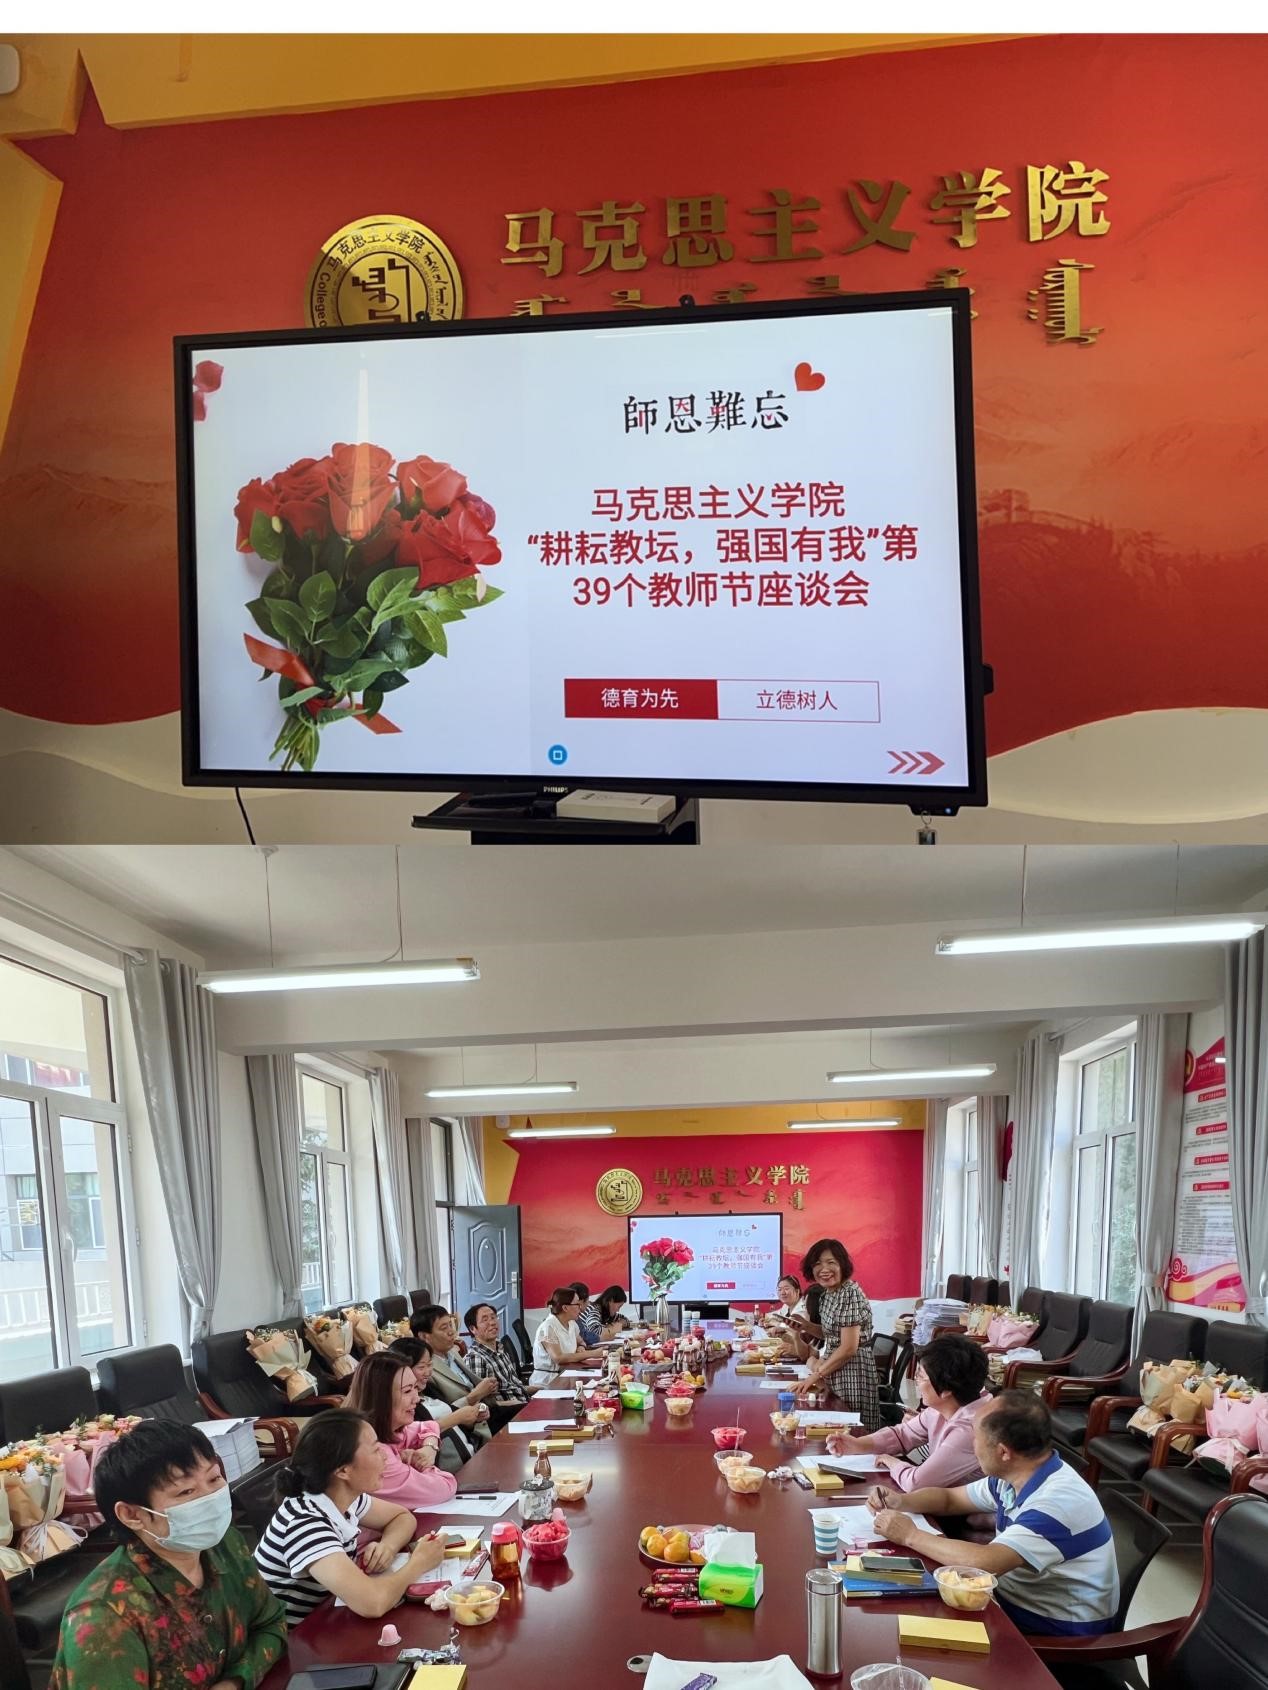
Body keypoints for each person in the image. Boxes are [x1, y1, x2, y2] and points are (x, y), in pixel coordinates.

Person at [49, 1420, 285, 1690]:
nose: (211, 1497)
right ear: (132, 1515)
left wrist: (234, 1682)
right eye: (186, 1491)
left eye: (214, 1478)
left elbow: (271, 1624)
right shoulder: (105, 1613)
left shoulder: (225, 1545)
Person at [867, 1390, 1119, 1640]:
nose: (972, 1446)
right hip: (1009, 1603)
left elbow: (985, 1562)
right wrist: (902, 1501)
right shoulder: (1016, 1475)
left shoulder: (1056, 1503)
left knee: (901, 1628)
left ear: (1004, 1452)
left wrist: (910, 1535)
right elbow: (950, 1499)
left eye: (976, 1438)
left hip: (1055, 1633)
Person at [254, 1409, 444, 1623]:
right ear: (343, 1471)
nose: (384, 1456)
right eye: (375, 1450)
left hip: (329, 1618)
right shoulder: (304, 1523)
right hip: (295, 1636)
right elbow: (372, 1603)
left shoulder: (342, 1496)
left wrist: (387, 1547)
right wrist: (419, 1563)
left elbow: (402, 1517)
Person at [826, 1334, 992, 1491]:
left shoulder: (971, 1429)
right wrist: (857, 1444)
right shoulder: (942, 1408)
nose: (916, 1381)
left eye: (921, 1376)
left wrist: (892, 1462)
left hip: (962, 1511)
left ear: (946, 1390)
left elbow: (916, 1483)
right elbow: (902, 1435)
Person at [344, 1351, 459, 1509]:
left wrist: (429, 1448)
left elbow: (428, 1426)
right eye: (407, 1391)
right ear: (380, 1397)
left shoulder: (391, 1430)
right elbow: (444, 1487)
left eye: (415, 1388)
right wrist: (422, 1465)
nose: (417, 1399)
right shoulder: (374, 1454)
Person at [792, 1238, 881, 1431]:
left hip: (853, 1371)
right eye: (817, 1264)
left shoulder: (849, 1293)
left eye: (831, 1262)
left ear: (842, 1265)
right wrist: (806, 1326)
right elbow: (831, 1334)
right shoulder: (828, 1294)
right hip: (833, 1367)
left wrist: (816, 1375)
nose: (824, 1269)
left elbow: (848, 1347)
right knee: (833, 1427)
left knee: (852, 1429)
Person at [387, 1336, 485, 1468]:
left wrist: (472, 1417)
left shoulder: (430, 1389)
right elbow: (416, 1435)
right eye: (421, 1367)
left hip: (470, 1456)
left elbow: (457, 1420)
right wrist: (457, 1418)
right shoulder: (404, 1407)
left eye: (430, 1364)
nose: (428, 1372)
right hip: (450, 1470)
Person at [411, 1305, 499, 1437]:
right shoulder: (425, 1372)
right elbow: (444, 1412)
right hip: (469, 1428)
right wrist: (475, 1395)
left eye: (450, 1325)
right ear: (424, 1336)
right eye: (444, 1328)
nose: (451, 1332)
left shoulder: (452, 1351)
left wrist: (489, 1387)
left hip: (487, 1410)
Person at [463, 1302, 538, 1413]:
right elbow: (481, 1403)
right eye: (485, 1320)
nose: (492, 1322)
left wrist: (542, 1389)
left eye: (493, 1317)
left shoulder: (499, 1348)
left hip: (524, 1403)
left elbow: (514, 1387)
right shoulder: (476, 1358)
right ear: (473, 1329)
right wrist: (517, 1404)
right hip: (509, 1413)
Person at [531, 1285, 604, 1385]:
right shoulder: (548, 1327)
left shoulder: (571, 1323)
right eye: (577, 1304)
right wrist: (592, 1354)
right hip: (549, 1381)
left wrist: (581, 1347)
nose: (580, 1308)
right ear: (565, 1308)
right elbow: (558, 1358)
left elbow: (581, 1341)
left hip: (568, 1375)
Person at [571, 1281, 604, 1347]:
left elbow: (582, 1336)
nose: (588, 1303)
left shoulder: (575, 1316)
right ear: (581, 1301)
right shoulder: (572, 1317)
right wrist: (600, 1337)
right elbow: (584, 1336)